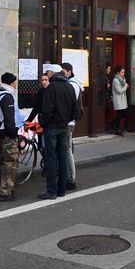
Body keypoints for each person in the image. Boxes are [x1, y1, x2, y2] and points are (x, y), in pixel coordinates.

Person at [38, 67, 78, 199]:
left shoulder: (51, 88)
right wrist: (68, 119)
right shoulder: (69, 87)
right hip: (64, 126)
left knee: (51, 158)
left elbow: (47, 109)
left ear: (52, 75)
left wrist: (43, 122)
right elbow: (75, 108)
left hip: (52, 127)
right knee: (62, 157)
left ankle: (51, 191)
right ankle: (61, 190)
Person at [0, 73, 21, 202]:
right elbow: (9, 118)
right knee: (11, 162)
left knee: (2, 160)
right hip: (7, 132)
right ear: (12, 83)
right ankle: (6, 191)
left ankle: (1, 186)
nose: (16, 84)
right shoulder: (8, 96)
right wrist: (13, 133)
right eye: (15, 82)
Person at [61, 62, 83, 190]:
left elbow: (69, 103)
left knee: (67, 149)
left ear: (69, 71)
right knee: (67, 148)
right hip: (68, 121)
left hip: (68, 122)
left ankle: (71, 178)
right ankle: (68, 176)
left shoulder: (72, 85)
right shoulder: (72, 83)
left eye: (64, 71)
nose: (62, 74)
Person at [110, 65, 128, 136]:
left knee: (124, 114)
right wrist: (126, 86)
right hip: (118, 100)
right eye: (122, 72)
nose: (123, 74)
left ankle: (112, 123)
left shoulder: (123, 79)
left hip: (123, 99)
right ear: (118, 73)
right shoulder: (115, 80)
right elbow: (119, 91)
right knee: (120, 114)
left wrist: (125, 86)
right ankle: (117, 129)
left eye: (124, 72)